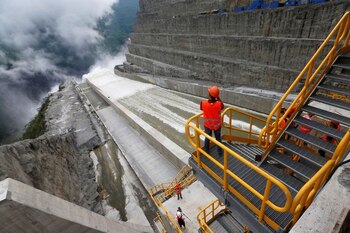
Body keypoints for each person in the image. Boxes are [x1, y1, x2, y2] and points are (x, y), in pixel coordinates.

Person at [200, 86, 224, 155]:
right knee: (218, 139)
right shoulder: (219, 104)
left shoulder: (203, 103)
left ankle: (207, 152)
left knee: (207, 138)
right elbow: (222, 106)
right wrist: (217, 97)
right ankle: (219, 152)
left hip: (208, 125)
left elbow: (202, 108)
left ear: (209, 94)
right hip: (217, 125)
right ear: (216, 96)